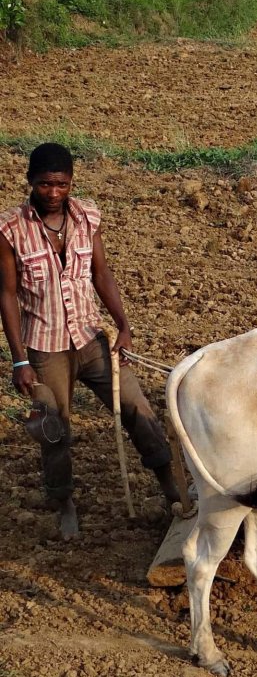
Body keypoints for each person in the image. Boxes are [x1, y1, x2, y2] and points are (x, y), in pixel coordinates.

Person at [0, 143, 180, 540]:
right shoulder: (10, 229)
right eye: (45, 183)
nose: (53, 192)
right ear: (30, 181)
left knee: (137, 407)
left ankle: (172, 489)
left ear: (71, 183)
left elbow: (101, 273)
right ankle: (64, 502)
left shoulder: (87, 217)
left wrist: (123, 324)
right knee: (54, 428)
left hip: (90, 339)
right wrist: (19, 361)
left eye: (61, 184)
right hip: (45, 348)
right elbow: (7, 295)